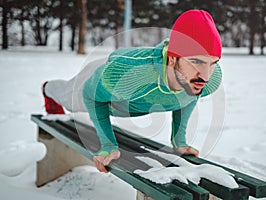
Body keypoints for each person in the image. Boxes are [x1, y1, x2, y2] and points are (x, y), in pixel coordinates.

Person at [42, 10, 222, 173]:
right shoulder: (131, 75)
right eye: (196, 62)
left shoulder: (208, 80)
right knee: (68, 98)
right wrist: (108, 145)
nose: (205, 76)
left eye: (212, 63)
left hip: (126, 88)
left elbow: (188, 98)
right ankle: (47, 88)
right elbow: (90, 95)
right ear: (173, 59)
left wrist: (179, 142)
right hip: (103, 78)